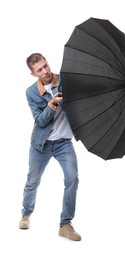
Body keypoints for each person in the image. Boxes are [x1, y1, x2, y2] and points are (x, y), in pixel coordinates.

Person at [19, 53, 81, 241]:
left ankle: (65, 224)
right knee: (33, 180)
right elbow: (40, 120)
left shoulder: (65, 80)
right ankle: (26, 213)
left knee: (72, 179)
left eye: (46, 66)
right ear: (33, 74)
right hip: (41, 143)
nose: (45, 71)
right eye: (40, 70)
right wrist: (52, 103)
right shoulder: (31, 92)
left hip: (64, 142)